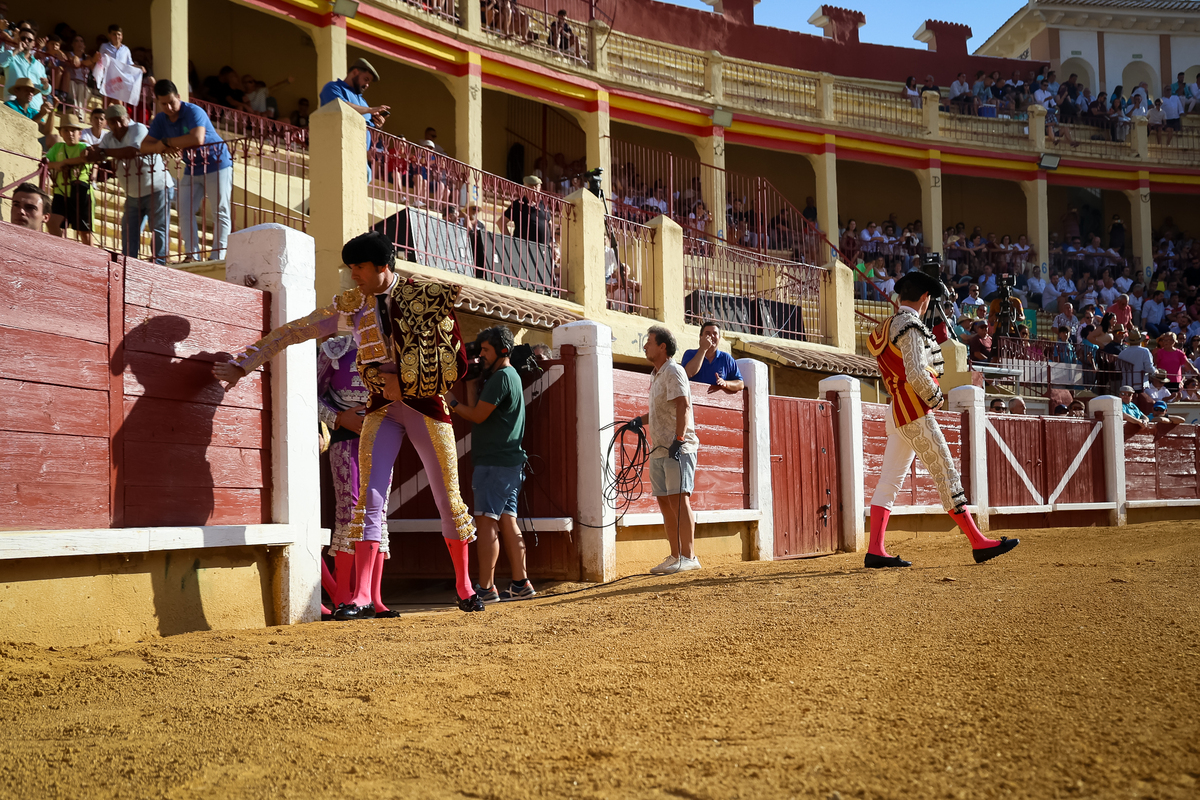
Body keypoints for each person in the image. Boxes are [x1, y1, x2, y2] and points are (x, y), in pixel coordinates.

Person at [213, 231, 482, 617]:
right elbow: (296, 330)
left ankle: (464, 586)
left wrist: (402, 384)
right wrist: (246, 362)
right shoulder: (354, 306)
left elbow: (457, 366)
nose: (352, 274)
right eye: (350, 266)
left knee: (447, 499)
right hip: (382, 409)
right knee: (368, 499)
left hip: (426, 407)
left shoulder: (425, 300)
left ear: (382, 266)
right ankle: (360, 596)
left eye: (359, 267)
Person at [865, 271, 1019, 568]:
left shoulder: (887, 326)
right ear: (924, 299)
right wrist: (936, 397)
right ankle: (978, 542)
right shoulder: (909, 326)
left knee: (889, 481)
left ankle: (875, 550)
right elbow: (916, 372)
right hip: (915, 410)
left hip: (897, 409)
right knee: (946, 472)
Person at [447, 326, 536, 603]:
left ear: (503, 351)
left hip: (494, 463)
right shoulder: (510, 376)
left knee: (486, 522)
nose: (481, 355)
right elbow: (479, 411)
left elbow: (476, 416)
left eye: (486, 350)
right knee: (508, 521)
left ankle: (485, 588)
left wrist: (451, 401)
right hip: (508, 462)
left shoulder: (500, 378)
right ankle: (520, 583)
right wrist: (472, 384)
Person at [628, 325, 701, 575]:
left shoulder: (674, 370)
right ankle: (675, 555)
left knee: (680, 500)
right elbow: (662, 411)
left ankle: (689, 556)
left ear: (662, 346)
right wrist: (640, 419)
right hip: (659, 449)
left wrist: (679, 439)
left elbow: (683, 405)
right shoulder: (655, 374)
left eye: (649, 342)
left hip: (677, 447)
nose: (645, 346)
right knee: (665, 501)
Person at [142, 79, 233, 261]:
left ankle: (218, 255)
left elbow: (197, 138)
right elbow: (144, 146)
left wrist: (166, 143)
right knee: (184, 210)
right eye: (163, 103)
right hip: (192, 167)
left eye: (171, 101)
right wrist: (161, 144)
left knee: (220, 210)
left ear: (179, 97)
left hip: (217, 162)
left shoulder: (193, 111)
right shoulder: (161, 119)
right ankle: (192, 254)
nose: (168, 107)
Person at [92, 104, 174, 264]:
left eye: (121, 121)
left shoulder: (139, 128)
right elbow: (95, 154)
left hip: (158, 187)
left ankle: (159, 263)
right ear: (108, 123)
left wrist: (103, 152)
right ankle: (129, 264)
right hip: (133, 193)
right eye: (113, 122)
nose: (118, 125)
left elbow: (131, 151)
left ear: (128, 119)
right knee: (129, 231)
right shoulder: (109, 138)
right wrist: (89, 151)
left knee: (158, 228)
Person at [46, 114, 95, 246]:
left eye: (73, 130)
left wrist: (64, 162)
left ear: (79, 133)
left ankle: (93, 261)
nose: (70, 134)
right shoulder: (57, 147)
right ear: (60, 133)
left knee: (83, 231)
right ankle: (62, 250)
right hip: (61, 191)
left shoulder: (84, 147)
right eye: (66, 130)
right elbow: (45, 163)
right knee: (52, 223)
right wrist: (56, 165)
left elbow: (85, 159)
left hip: (81, 192)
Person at [319, 58, 387, 149]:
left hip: (362, 159)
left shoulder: (363, 102)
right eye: (366, 79)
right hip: (337, 151)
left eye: (369, 82)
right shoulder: (333, 87)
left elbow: (371, 132)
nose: (367, 85)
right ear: (355, 72)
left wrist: (378, 126)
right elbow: (340, 106)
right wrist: (369, 110)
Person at [682, 321, 745, 395]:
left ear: (719, 338)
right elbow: (687, 374)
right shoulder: (690, 354)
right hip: (694, 401)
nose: (712, 336)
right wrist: (703, 349)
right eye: (708, 333)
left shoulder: (726, 358)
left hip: (717, 403)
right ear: (701, 337)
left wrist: (725, 383)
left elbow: (740, 384)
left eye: (715, 334)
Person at [0, 26, 51, 114]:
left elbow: (46, 91)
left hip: (35, 108)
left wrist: (46, 85)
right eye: (23, 38)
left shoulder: (40, 66)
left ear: (34, 44)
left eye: (29, 40)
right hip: (14, 104)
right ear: (18, 40)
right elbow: (1, 62)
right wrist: (17, 50)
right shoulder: (12, 56)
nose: (26, 41)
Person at [504, 175, 551, 242]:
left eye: (537, 187)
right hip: (523, 247)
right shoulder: (518, 204)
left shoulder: (543, 205)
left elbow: (550, 223)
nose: (535, 190)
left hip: (542, 249)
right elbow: (502, 222)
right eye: (532, 187)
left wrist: (552, 241)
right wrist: (510, 240)